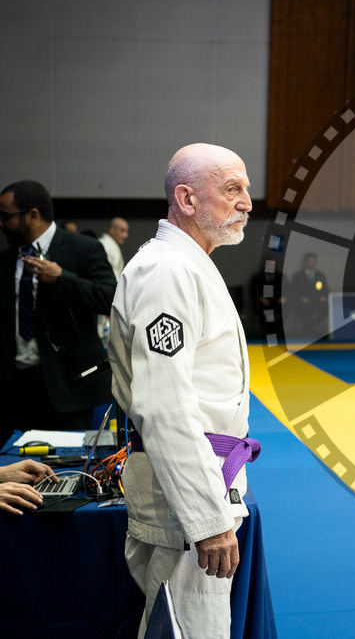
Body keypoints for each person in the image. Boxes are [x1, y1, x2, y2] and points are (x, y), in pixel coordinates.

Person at [109, 143, 257, 638]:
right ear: (187, 199)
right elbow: (165, 405)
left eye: (247, 190)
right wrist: (207, 518)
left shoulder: (191, 263)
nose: (247, 203)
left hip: (207, 476)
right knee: (189, 630)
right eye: (232, 189)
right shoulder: (167, 271)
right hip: (184, 501)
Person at [0, 180, 116, 441]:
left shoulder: (82, 248)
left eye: (6, 216)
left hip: (68, 389)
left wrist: (63, 279)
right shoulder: (6, 260)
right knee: (19, 468)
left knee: (70, 469)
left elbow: (111, 297)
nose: (1, 223)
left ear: (32, 216)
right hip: (17, 390)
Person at [98, 217, 129, 340]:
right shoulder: (104, 246)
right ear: (112, 229)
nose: (125, 235)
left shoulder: (110, 246)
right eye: (122, 231)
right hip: (105, 297)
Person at [291, 252, 330, 338]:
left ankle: (309, 327)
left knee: (325, 307)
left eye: (313, 261)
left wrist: (323, 297)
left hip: (317, 301)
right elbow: (294, 290)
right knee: (303, 308)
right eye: (310, 261)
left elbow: (326, 290)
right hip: (303, 302)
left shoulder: (320, 275)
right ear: (306, 262)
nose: (312, 263)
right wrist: (301, 298)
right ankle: (310, 329)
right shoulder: (298, 275)